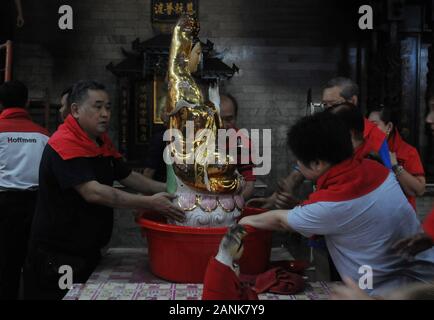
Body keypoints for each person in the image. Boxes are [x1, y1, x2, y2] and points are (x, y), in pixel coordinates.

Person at [240, 111, 434, 296]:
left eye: (299, 160)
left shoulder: (334, 203)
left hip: (397, 293)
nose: (297, 166)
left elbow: (281, 220)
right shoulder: (376, 170)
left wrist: (241, 223)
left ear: (317, 164)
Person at [23, 80, 185, 300]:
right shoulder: (65, 143)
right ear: (76, 110)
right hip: (59, 255)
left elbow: (129, 177)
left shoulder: (99, 141)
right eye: (97, 107)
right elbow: (94, 192)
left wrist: (178, 190)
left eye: (107, 107)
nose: (105, 113)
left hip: (87, 250)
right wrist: (150, 203)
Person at [0, 80, 49, 299]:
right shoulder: (43, 134)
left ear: (1, 104)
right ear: (27, 103)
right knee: (32, 261)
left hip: (3, 207)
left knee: (4, 263)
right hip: (36, 206)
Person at [368, 106, 425, 210]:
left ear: (389, 127)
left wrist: (395, 166)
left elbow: (419, 190)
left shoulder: (408, 152)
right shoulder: (364, 150)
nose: (368, 130)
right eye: (367, 125)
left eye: (374, 125)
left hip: (401, 218)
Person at [220, 94, 256, 200]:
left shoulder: (242, 143)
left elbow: (249, 184)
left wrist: (233, 205)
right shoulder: (198, 140)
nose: (223, 125)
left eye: (229, 119)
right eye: (218, 119)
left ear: (235, 117)